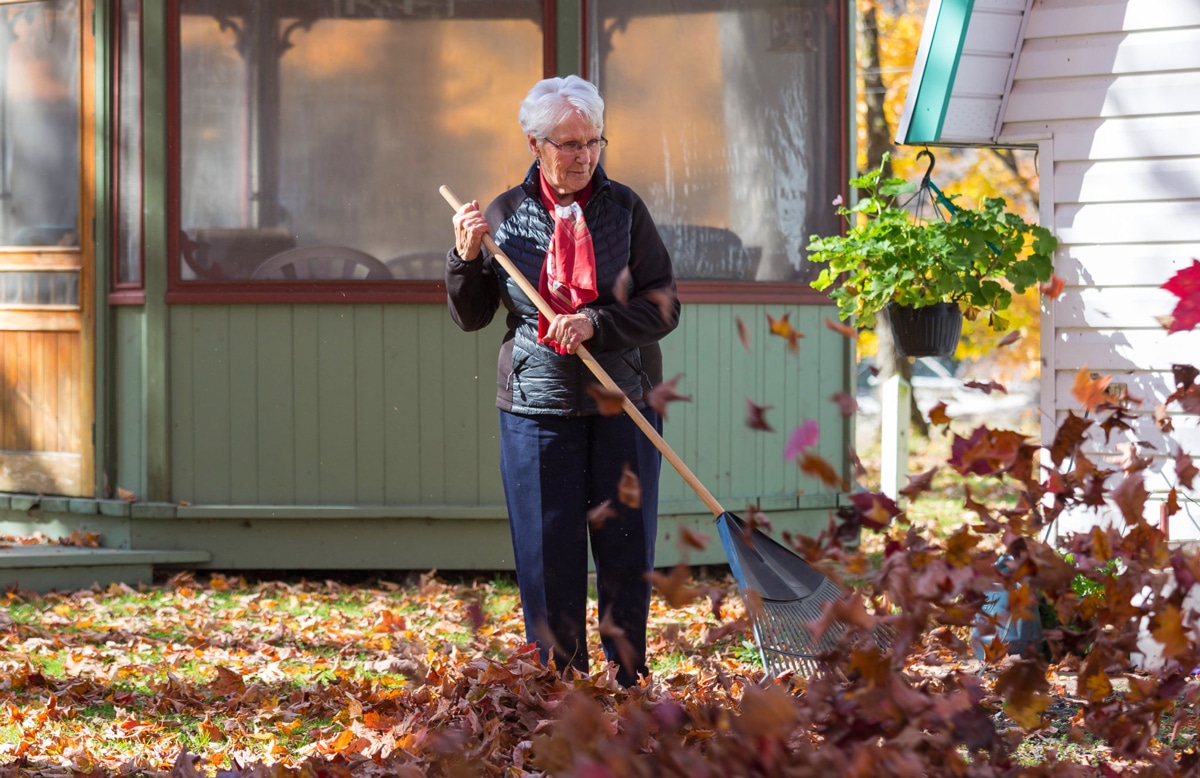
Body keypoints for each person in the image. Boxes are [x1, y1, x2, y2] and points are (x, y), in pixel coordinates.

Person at [446, 75, 679, 687]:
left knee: (627, 548)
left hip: (621, 400)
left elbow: (663, 306)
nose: (583, 156)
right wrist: (465, 259)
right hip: (535, 407)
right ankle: (557, 683)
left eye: (593, 142)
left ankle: (627, 679)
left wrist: (595, 322)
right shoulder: (504, 214)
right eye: (568, 144)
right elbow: (471, 317)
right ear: (535, 143)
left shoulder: (625, 209)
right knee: (549, 555)